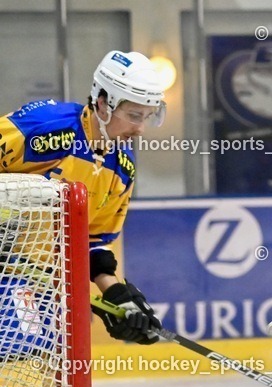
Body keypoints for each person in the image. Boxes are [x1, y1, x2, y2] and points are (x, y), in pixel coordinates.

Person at [0, 50, 165, 344]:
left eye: (147, 117)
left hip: (41, 287)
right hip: (10, 278)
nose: (139, 128)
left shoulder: (121, 168)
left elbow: (90, 241)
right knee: (21, 357)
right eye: (134, 115)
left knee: (45, 376)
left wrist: (117, 295)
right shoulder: (45, 128)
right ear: (103, 102)